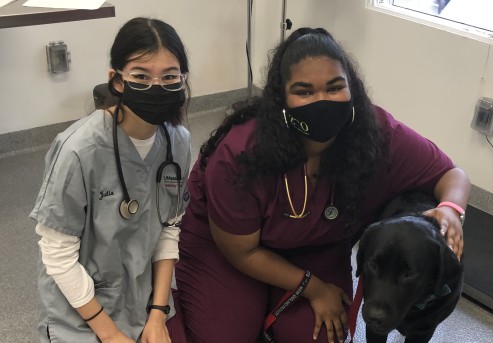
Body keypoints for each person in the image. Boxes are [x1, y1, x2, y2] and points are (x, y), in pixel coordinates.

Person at [174, 27, 469, 343]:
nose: (322, 101)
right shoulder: (241, 152)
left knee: (320, 336)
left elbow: (451, 175)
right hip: (231, 249)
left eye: (334, 88)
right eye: (303, 91)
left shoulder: (375, 133)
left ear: (351, 88)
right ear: (281, 99)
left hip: (315, 249)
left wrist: (451, 209)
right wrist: (312, 287)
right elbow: (241, 251)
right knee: (224, 337)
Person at [30, 17, 192, 343]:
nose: (156, 88)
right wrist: (111, 335)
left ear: (182, 81)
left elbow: (169, 228)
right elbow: (57, 257)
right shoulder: (78, 149)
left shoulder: (178, 143)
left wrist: (158, 313)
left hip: (141, 298)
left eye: (170, 77)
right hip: (78, 310)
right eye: (141, 76)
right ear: (116, 81)